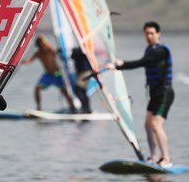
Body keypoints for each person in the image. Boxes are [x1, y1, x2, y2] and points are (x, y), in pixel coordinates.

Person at [106, 21, 174, 167]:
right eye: (146, 33)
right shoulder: (149, 49)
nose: (149, 36)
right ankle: (154, 157)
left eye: (152, 33)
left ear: (158, 34)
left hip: (165, 93)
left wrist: (120, 65)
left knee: (156, 125)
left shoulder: (160, 51)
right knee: (147, 125)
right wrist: (120, 64)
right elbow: (144, 61)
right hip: (155, 94)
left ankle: (167, 158)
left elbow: (142, 62)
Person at [22, 35, 76, 111]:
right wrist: (24, 61)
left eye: (44, 44)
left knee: (65, 92)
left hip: (57, 74)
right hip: (47, 75)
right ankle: (39, 108)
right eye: (41, 44)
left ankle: (73, 107)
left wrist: (59, 52)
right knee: (37, 89)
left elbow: (60, 55)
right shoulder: (38, 53)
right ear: (39, 45)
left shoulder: (50, 50)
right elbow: (29, 61)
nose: (43, 45)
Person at [71, 47, 93, 114]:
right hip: (83, 73)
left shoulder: (83, 51)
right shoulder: (79, 50)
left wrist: (75, 50)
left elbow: (75, 54)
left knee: (79, 89)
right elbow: (72, 57)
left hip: (85, 72)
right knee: (82, 91)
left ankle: (86, 108)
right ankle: (87, 108)